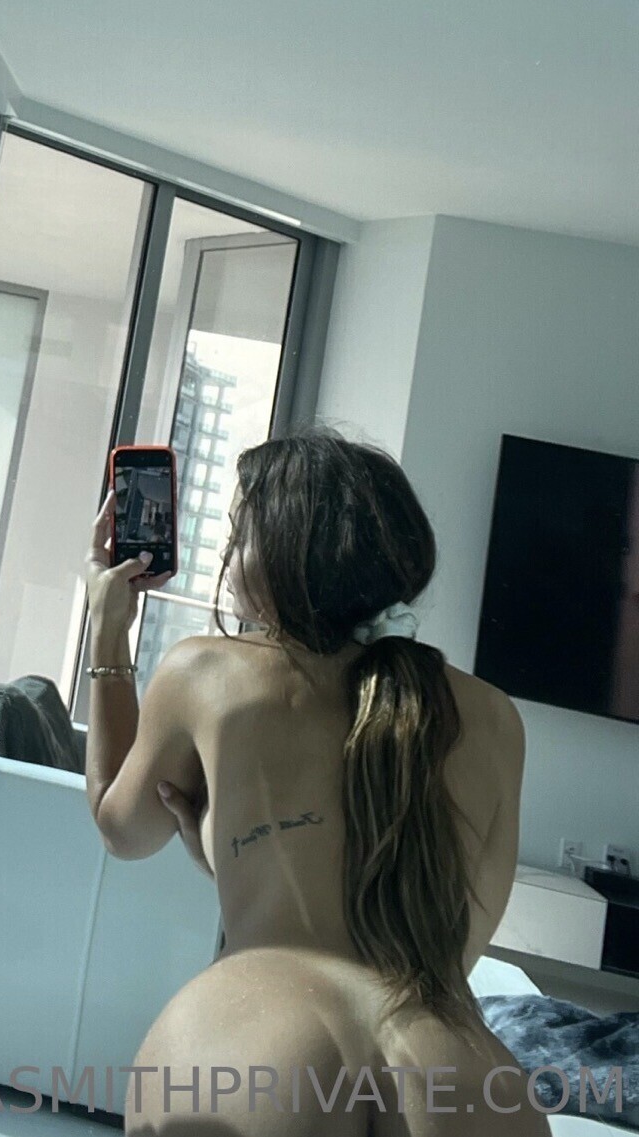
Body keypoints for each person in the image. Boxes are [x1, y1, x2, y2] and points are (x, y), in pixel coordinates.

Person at [83, 427, 549, 1137]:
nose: (225, 550)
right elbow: (457, 934)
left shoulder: (205, 671)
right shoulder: (494, 716)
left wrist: (108, 630)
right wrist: (239, 857)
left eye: (239, 530)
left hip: (260, 1046)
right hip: (462, 1072)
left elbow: (120, 827)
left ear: (286, 548)